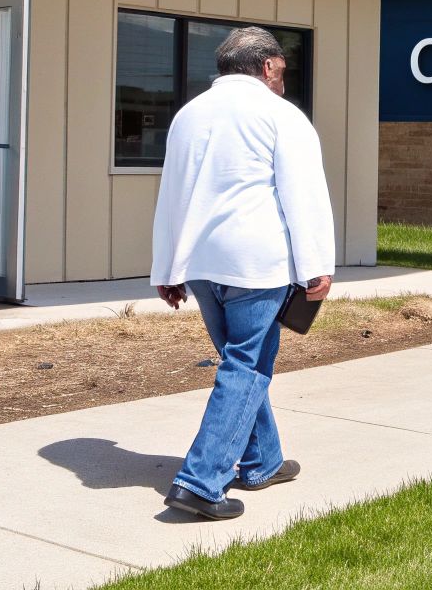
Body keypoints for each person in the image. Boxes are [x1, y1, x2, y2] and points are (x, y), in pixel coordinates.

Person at [151, 26, 336, 521]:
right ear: (269, 66)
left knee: (240, 367)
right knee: (247, 369)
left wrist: (168, 267)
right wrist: (316, 266)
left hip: (203, 265)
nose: (283, 78)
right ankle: (200, 483)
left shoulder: (188, 115)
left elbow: (173, 195)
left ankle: (262, 462)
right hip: (258, 263)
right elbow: (304, 194)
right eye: (283, 70)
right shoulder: (280, 115)